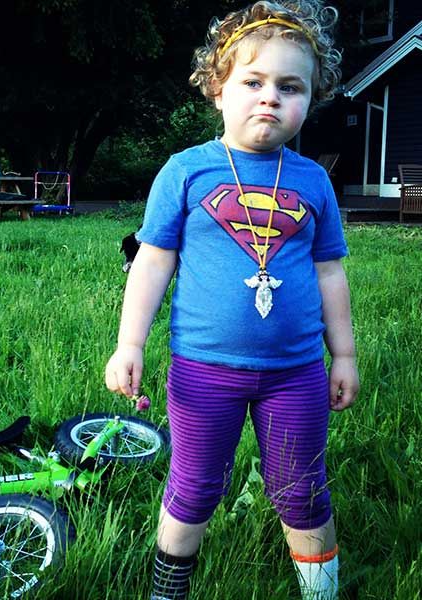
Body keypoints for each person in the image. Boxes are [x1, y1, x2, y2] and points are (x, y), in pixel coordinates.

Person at [105, 1, 359, 598]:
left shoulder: (312, 180)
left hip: (295, 373)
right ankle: (168, 588)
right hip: (203, 371)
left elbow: (329, 274)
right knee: (194, 487)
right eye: (253, 81)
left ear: (309, 101)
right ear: (219, 90)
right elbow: (152, 261)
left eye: (290, 86)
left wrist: (342, 355)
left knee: (301, 487)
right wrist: (129, 343)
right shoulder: (186, 171)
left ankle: (320, 590)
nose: (270, 97)